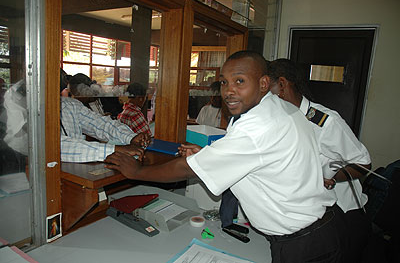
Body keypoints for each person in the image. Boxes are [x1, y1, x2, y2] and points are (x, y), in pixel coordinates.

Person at [105, 50, 349, 262]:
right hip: (317, 229)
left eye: (240, 81)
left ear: (264, 83)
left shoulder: (257, 126)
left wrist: (137, 172)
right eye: (224, 82)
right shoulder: (277, 107)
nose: (229, 91)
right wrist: (211, 155)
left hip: (304, 243)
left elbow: (189, 169)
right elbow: (258, 157)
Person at [267, 58, 372, 262]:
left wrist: (329, 178)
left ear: (281, 85)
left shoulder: (323, 121)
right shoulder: (282, 120)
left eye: (266, 87)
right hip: (314, 218)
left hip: (344, 216)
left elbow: (364, 164)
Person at [60, 71, 148, 163]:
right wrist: (115, 150)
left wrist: (130, 137)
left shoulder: (71, 105)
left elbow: (101, 124)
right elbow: (60, 147)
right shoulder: (44, 113)